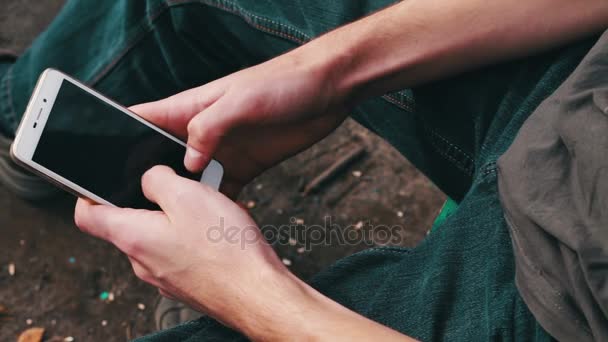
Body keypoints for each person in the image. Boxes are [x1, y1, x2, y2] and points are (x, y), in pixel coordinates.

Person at [1, 0, 607, 340]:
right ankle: (22, 120)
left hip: (561, 314)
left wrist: (252, 298)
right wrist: (328, 69)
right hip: (577, 91)